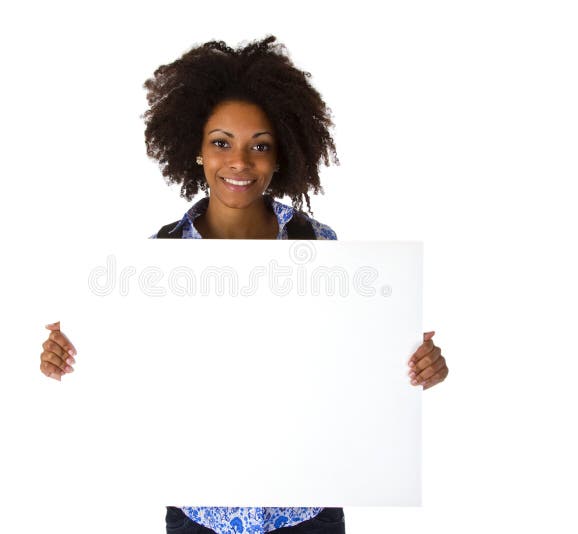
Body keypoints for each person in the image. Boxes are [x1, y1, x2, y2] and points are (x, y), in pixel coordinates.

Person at [38, 35, 449, 534]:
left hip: (307, 509)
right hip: (199, 512)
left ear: (281, 155)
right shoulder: (151, 263)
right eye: (221, 143)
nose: (239, 161)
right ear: (196, 149)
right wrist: (74, 355)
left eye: (260, 145)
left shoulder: (322, 246)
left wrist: (417, 365)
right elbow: (135, 372)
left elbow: (353, 365)